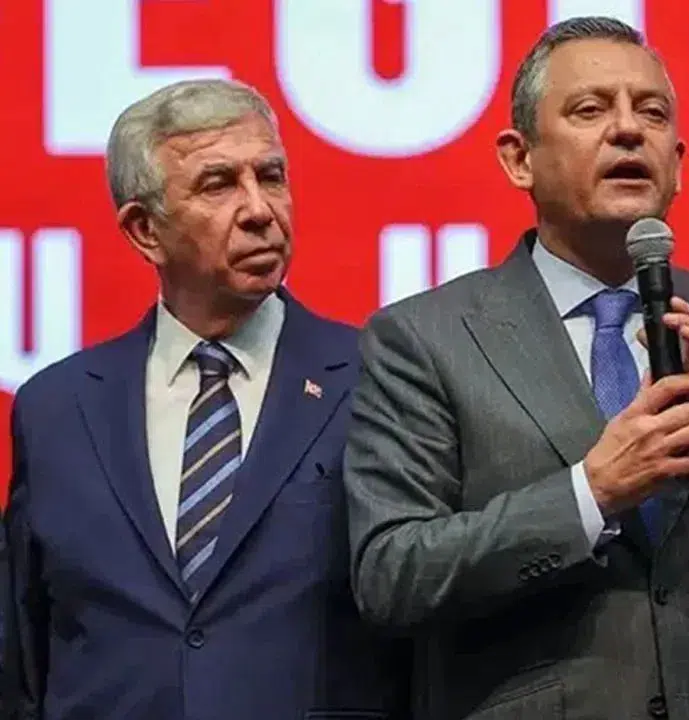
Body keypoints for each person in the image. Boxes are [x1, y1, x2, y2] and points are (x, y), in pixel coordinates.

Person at [343, 15, 689, 720]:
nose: (627, 131)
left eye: (652, 113)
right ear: (518, 159)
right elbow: (391, 574)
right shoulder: (426, 338)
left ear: (678, 162)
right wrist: (590, 494)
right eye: (590, 110)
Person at [2, 78, 410, 719]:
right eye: (218, 185)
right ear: (144, 230)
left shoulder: (378, 379)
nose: (259, 209)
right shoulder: (55, 409)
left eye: (271, 176)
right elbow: (24, 657)